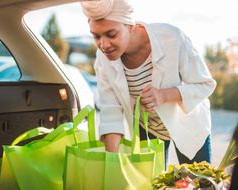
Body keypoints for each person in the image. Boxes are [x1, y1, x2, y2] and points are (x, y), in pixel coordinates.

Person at [80, 0, 216, 165]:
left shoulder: (172, 38)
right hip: (147, 129)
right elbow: (111, 112)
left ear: (130, 26)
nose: (104, 45)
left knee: (199, 182)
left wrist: (163, 96)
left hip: (188, 124)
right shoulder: (102, 60)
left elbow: (204, 84)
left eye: (111, 34)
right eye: (96, 36)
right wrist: (111, 164)